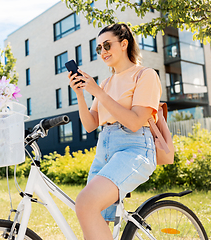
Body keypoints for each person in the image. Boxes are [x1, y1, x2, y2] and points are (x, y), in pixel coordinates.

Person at [68, 23, 162, 239]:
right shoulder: (107, 82)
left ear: (124, 44)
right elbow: (91, 124)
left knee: (85, 203)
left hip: (134, 149)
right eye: (99, 48)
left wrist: (98, 93)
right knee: (93, 216)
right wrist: (81, 94)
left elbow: (136, 121)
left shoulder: (145, 75)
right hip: (105, 150)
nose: (103, 52)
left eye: (107, 45)